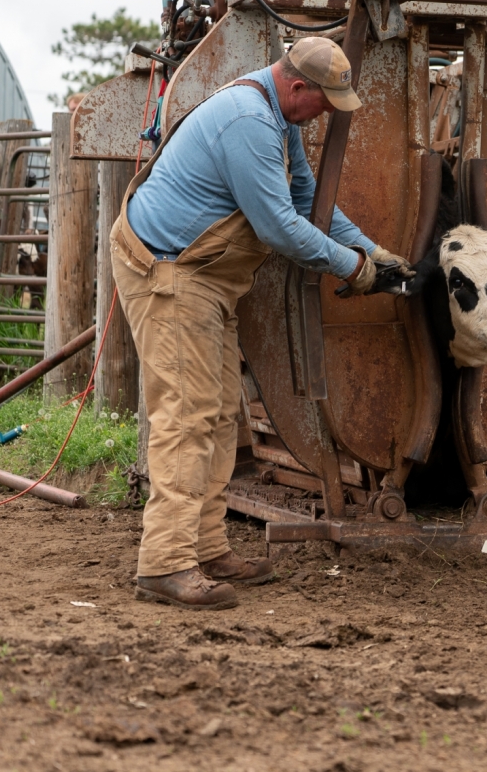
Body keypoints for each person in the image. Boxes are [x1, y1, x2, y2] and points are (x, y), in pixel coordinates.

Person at [110, 36, 410, 610]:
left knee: (221, 412)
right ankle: (165, 563)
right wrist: (355, 269)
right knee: (188, 415)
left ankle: (205, 546)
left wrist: (373, 251)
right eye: (324, 102)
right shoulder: (249, 120)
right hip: (172, 273)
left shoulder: (279, 116)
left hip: (205, 275)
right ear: (297, 87)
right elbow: (278, 227)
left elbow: (307, 199)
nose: (325, 114)